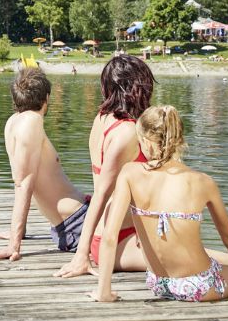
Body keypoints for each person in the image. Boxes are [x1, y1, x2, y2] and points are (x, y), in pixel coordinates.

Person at [91, 105, 228, 307]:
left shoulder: (130, 173)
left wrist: (103, 291)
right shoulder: (202, 181)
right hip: (199, 285)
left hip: (159, 283)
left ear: (145, 142)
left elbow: (109, 236)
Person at [56, 55, 155, 278]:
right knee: (210, 261)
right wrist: (81, 256)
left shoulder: (102, 118)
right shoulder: (127, 132)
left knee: (212, 261)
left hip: (121, 235)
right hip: (117, 239)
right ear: (137, 88)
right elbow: (101, 193)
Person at [0, 68, 90, 262]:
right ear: (46, 98)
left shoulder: (13, 122)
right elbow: (23, 183)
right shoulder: (31, 121)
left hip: (74, 221)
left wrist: (19, 231)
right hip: (78, 223)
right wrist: (13, 245)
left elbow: (22, 176)